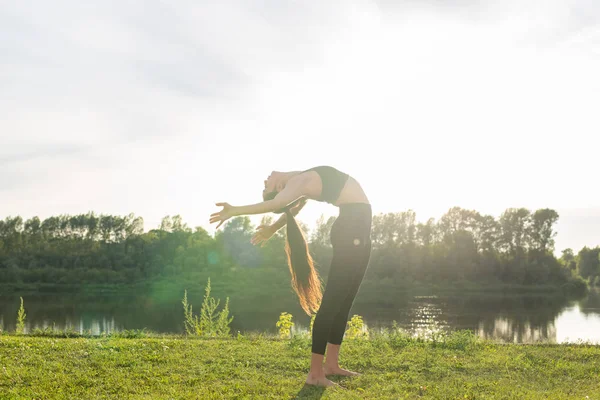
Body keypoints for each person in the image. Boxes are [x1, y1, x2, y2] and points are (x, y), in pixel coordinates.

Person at [209, 166, 372, 388]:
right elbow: (277, 204)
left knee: (345, 302)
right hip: (350, 230)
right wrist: (234, 210)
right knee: (333, 303)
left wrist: (274, 228)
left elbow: (293, 207)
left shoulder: (299, 181)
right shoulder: (298, 182)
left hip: (360, 231)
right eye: (266, 186)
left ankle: (331, 365)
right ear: (279, 188)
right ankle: (315, 374)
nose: (264, 180)